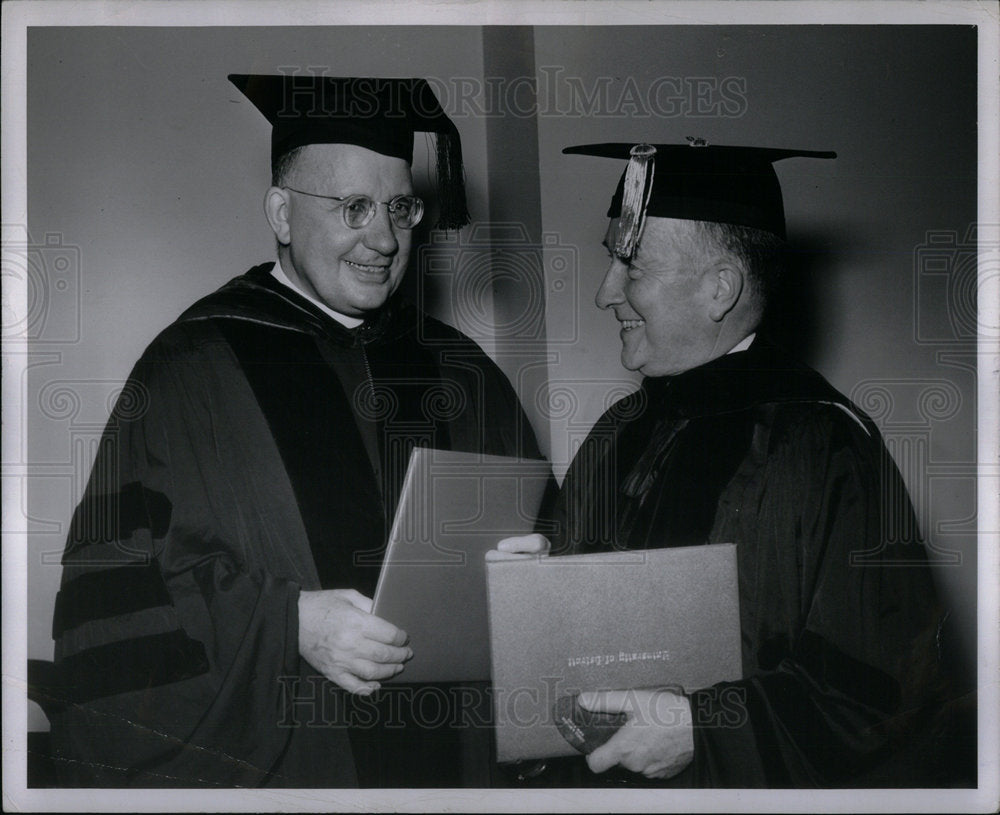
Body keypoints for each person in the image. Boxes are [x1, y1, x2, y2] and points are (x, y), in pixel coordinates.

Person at [46, 75, 543, 788]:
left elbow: (547, 561)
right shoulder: (192, 370)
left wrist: (534, 576)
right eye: (354, 207)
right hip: (295, 770)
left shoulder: (461, 371)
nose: (384, 237)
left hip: (452, 767)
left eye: (401, 207)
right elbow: (117, 590)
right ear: (281, 212)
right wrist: (287, 623)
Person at [499, 140, 961, 787]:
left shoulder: (824, 447)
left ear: (720, 288)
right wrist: (527, 606)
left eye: (631, 268)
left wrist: (703, 730)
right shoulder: (616, 433)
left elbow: (883, 693)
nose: (605, 293)